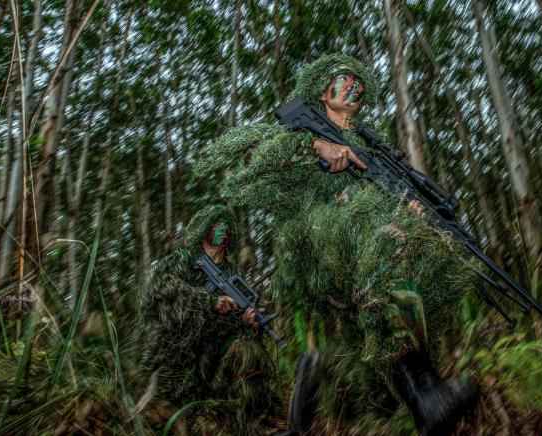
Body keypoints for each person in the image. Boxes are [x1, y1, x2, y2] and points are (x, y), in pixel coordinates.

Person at [197, 54, 480, 436]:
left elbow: (383, 194)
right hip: (316, 245)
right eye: (343, 79)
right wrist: (316, 147)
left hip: (353, 249)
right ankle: (425, 398)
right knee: (364, 307)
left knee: (337, 338)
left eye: (359, 83)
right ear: (322, 91)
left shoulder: (370, 145)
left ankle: (419, 401)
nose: (353, 85)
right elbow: (251, 163)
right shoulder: (297, 133)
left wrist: (407, 207)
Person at [137, 205, 281, 435]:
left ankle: (255, 422)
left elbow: (230, 327)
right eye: (217, 226)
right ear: (205, 229)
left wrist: (247, 322)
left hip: (211, 360)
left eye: (226, 227)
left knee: (247, 351)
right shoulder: (183, 259)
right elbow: (160, 290)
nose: (222, 231)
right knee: (162, 419)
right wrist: (209, 302)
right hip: (175, 356)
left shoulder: (233, 274)